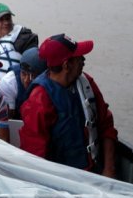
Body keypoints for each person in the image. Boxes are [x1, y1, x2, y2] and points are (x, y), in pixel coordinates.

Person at [19, 34, 117, 177]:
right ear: (66, 65)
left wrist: (109, 169)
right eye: (79, 58)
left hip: (96, 173)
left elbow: (106, 125)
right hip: (63, 181)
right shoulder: (39, 99)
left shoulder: (87, 83)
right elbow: (34, 154)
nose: (84, 60)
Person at [0, 47, 46, 118]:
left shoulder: (48, 81)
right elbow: (8, 120)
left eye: (33, 76)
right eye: (24, 74)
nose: (26, 80)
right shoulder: (9, 82)